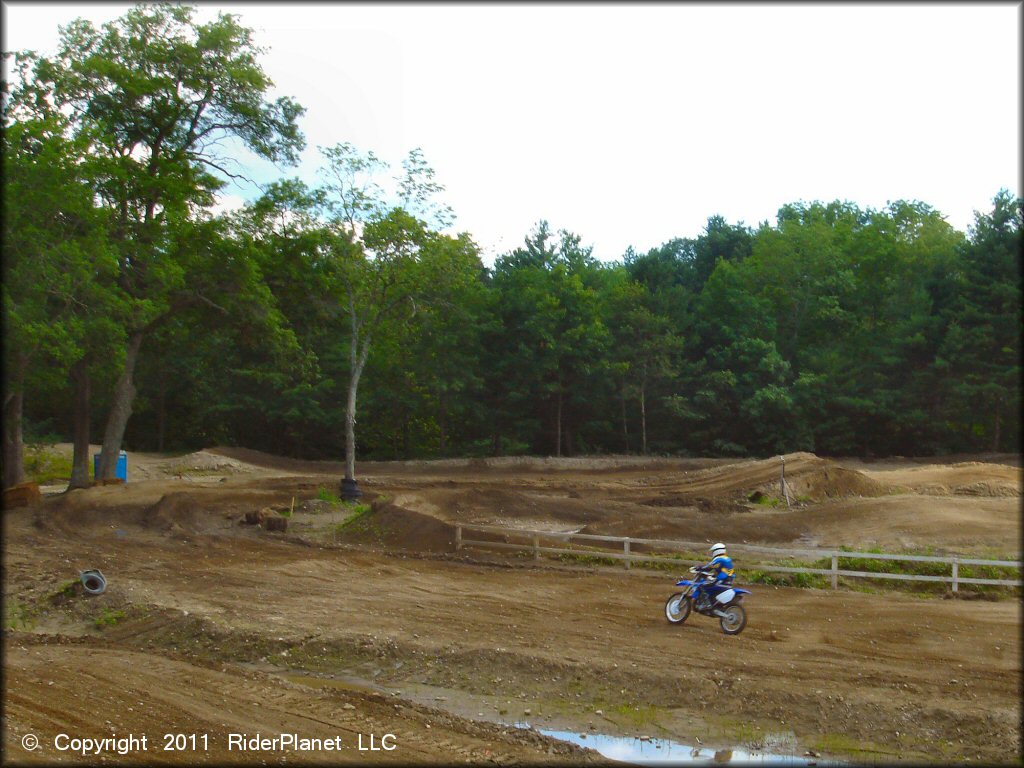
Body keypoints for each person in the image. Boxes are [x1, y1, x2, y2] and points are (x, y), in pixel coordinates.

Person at [694, 542, 734, 610]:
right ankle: (712, 601)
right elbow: (720, 569)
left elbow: (710, 567)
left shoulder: (719, 558)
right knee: (709, 585)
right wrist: (713, 574)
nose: (712, 553)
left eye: (713, 551)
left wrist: (700, 568)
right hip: (728, 581)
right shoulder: (727, 558)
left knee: (702, 585)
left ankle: (706, 604)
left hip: (721, 580)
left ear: (717, 551)